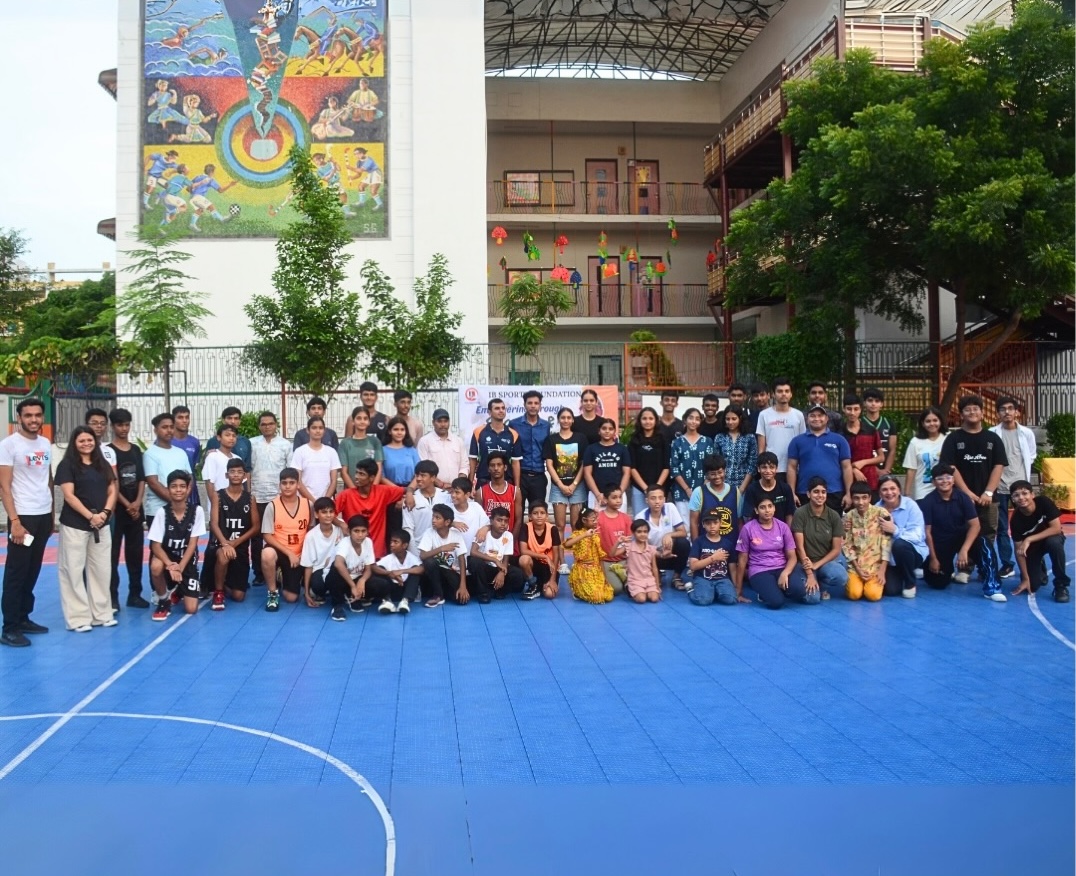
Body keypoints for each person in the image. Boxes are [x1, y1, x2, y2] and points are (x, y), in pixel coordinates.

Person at [939, 395, 1008, 602]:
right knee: (962, 531)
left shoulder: (993, 438)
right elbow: (950, 467)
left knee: (987, 534)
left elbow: (999, 465)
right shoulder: (953, 439)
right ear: (961, 414)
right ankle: (965, 567)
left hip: (989, 498)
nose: (972, 413)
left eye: (975, 409)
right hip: (961, 498)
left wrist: (988, 492)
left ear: (981, 412)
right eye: (967, 410)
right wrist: (966, 493)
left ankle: (986, 570)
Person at [55, 426, 117, 632]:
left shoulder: (102, 464)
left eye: (89, 440)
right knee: (72, 570)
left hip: (102, 525)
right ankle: (78, 618)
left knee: (101, 570)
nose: (86, 444)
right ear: (74, 443)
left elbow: (112, 490)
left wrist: (105, 514)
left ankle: (102, 614)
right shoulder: (67, 465)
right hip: (75, 525)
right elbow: (69, 496)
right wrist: (90, 516)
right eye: (81, 441)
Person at [736, 496, 818, 609]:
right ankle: (765, 592)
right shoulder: (748, 528)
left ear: (774, 508)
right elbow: (742, 559)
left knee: (799, 591)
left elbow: (792, 557)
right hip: (759, 570)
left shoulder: (783, 527)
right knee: (776, 602)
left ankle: (773, 588)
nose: (767, 510)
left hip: (781, 567)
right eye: (762, 507)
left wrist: (785, 573)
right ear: (756, 510)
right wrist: (739, 590)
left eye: (770, 506)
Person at [989, 397, 1038, 581]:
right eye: (1003, 409)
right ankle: (1007, 564)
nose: (1007, 412)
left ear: (1017, 412)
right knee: (1001, 528)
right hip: (1000, 486)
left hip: (1020, 489)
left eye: (1011, 409)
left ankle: (1032, 563)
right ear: (998, 413)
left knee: (1027, 526)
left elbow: (1031, 455)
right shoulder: (992, 433)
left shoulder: (1026, 433)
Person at [147, 470, 206, 621]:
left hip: (187, 560)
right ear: (168, 489)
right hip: (168, 559)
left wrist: (180, 567)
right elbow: (155, 546)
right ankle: (163, 599)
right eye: (174, 486)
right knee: (155, 566)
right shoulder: (162, 513)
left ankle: (179, 589)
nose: (178, 490)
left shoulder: (197, 511)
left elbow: (193, 544)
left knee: (191, 609)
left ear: (188, 489)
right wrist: (170, 565)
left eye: (182, 486)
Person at [108, 408, 149, 611]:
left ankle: (135, 594)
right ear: (113, 426)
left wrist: (137, 502)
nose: (123, 429)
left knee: (135, 554)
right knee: (112, 556)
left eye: (126, 424)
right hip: (116, 512)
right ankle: (112, 598)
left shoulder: (135, 451)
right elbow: (112, 483)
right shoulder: (108, 451)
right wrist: (126, 503)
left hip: (135, 511)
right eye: (119, 425)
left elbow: (141, 478)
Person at [205, 458, 259, 610]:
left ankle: (222, 580)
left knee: (238, 596)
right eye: (232, 472)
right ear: (226, 475)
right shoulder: (219, 496)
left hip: (239, 548)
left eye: (239, 472)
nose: (236, 475)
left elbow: (256, 527)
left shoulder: (250, 498)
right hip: (221, 545)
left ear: (245, 476)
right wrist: (225, 543)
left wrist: (235, 542)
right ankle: (218, 591)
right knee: (223, 554)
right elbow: (213, 523)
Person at [919, 463, 980, 590]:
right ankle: (948, 569)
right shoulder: (927, 502)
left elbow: (975, 525)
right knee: (938, 582)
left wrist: (964, 550)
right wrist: (933, 559)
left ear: (953, 480)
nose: (945, 481)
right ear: (933, 482)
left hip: (960, 538)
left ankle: (990, 578)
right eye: (940, 478)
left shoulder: (963, 497)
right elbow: (927, 532)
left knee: (983, 544)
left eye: (948, 477)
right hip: (940, 542)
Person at [1008, 480, 1070, 602]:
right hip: (1033, 548)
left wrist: (1029, 539)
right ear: (1012, 499)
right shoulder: (1015, 520)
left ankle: (1061, 585)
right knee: (1033, 586)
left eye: (1024, 493)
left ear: (1032, 495)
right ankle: (1039, 567)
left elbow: (1056, 528)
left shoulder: (1043, 502)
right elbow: (1019, 550)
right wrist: (1025, 578)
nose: (1021, 497)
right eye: (1016, 495)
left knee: (1054, 544)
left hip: (1051, 538)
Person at [260, 468, 312, 611]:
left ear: (298, 485)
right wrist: (288, 553)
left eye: (291, 483)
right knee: (267, 554)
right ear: (279, 485)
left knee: (291, 598)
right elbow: (267, 535)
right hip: (280, 551)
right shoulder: (272, 506)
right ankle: (272, 592)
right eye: (284, 483)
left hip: (299, 554)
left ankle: (281, 575)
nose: (287, 486)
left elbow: (312, 531)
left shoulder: (308, 505)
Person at [335, 458, 411, 556]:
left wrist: (409, 495)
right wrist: (341, 524)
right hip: (353, 553)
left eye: (361, 474)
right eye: (356, 473)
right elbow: (329, 513)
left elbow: (407, 489)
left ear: (371, 478)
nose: (356, 477)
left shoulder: (383, 491)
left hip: (377, 553)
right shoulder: (346, 495)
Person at [250, 411, 292, 585]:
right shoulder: (252, 444)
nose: (267, 426)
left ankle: (280, 569)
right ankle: (260, 573)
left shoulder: (285, 445)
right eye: (263, 424)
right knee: (257, 536)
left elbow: (290, 471)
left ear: (276, 425)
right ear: (259, 426)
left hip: (278, 498)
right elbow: (247, 469)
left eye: (270, 423)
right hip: (257, 496)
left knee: (279, 535)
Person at [791, 477, 848, 600]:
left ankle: (821, 584)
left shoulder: (833, 516)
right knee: (813, 599)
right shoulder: (800, 513)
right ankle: (809, 581)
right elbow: (799, 548)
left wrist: (816, 565)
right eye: (816, 491)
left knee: (841, 576)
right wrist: (810, 574)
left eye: (823, 492)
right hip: (803, 561)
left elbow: (836, 550)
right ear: (808, 494)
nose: (820, 495)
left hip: (824, 562)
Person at [876, 476, 928, 598]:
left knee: (899, 545)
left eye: (893, 488)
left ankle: (910, 583)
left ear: (899, 490)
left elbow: (918, 535)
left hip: (913, 552)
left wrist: (895, 530)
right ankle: (901, 573)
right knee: (891, 591)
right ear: (879, 493)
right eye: (884, 490)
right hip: (889, 559)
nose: (889, 493)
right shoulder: (876, 509)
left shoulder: (911, 506)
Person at [544, 407, 588, 541]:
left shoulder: (581, 438)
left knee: (576, 526)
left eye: (569, 418)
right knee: (560, 525)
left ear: (573, 420)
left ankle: (577, 560)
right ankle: (561, 560)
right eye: (563, 418)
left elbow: (583, 464)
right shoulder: (551, 439)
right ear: (558, 420)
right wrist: (561, 485)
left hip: (577, 487)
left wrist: (574, 484)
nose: (566, 420)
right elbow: (549, 465)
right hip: (558, 487)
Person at [842, 481, 892, 602]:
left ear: (870, 497)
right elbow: (846, 544)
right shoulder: (848, 517)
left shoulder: (881, 513)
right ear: (852, 499)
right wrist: (858, 569)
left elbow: (887, 542)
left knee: (873, 596)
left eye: (864, 498)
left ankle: (871, 585)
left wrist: (882, 570)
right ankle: (858, 583)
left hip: (876, 566)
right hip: (856, 566)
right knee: (854, 594)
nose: (861, 502)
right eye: (856, 498)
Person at [635, 483, 689, 590]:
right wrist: (659, 554)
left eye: (660, 498)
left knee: (684, 543)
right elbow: (640, 547)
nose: (657, 502)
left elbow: (683, 532)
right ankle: (655, 574)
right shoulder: (640, 517)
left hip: (671, 553)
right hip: (652, 555)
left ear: (664, 499)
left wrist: (669, 535)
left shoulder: (670, 507)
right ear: (647, 500)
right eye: (653, 498)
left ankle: (676, 577)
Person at [142, 412, 193, 525]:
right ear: (155, 430)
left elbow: (190, 478)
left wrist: (182, 501)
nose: (169, 430)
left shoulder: (181, 453)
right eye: (164, 427)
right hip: (157, 511)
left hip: (181, 511)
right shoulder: (150, 454)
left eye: (171, 427)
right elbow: (153, 483)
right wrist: (176, 501)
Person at [323, 515, 376, 621]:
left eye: (363, 531)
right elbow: (338, 564)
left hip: (355, 577)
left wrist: (362, 580)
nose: (360, 535)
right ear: (349, 531)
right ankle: (337, 606)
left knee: (381, 585)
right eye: (356, 531)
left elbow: (369, 567)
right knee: (336, 570)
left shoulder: (368, 542)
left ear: (367, 531)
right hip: (337, 578)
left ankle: (351, 596)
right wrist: (353, 586)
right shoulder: (344, 543)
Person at [469, 507, 526, 604]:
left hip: (498, 568)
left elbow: (506, 559)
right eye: (499, 520)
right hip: (485, 568)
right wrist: (494, 560)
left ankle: (499, 591)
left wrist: (502, 572)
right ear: (491, 521)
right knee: (474, 561)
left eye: (506, 521)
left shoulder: (508, 536)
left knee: (519, 575)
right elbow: (473, 552)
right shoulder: (483, 533)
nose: (503, 524)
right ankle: (483, 593)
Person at [686, 507, 742, 606]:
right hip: (703, 577)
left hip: (722, 578)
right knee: (703, 600)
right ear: (703, 525)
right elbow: (693, 566)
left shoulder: (727, 544)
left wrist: (736, 587)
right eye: (708, 523)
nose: (712, 526)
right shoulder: (699, 542)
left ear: (720, 523)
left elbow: (732, 567)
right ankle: (691, 590)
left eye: (715, 523)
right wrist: (713, 558)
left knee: (731, 599)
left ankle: (714, 592)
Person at [417, 504, 468, 607]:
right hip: (435, 574)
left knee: (461, 601)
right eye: (433, 517)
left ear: (447, 522)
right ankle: (438, 595)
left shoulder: (456, 535)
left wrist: (463, 586)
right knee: (429, 562)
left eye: (437, 518)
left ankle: (445, 593)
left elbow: (462, 561)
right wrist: (441, 549)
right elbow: (423, 556)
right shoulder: (429, 533)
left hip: (452, 574)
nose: (433, 520)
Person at [510, 389, 551, 516]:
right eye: (530, 403)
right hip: (520, 475)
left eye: (536, 403)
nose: (533, 406)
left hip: (539, 476)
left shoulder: (546, 425)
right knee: (518, 513)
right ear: (524, 405)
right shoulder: (514, 424)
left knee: (537, 513)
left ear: (540, 405)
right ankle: (519, 537)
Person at [755, 378, 805, 481]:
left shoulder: (798, 415)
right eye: (780, 391)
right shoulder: (764, 415)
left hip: (794, 468)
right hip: (772, 469)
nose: (783, 394)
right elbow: (761, 448)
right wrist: (762, 467)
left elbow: (802, 443)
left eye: (787, 391)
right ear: (773, 394)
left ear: (791, 394)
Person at [669, 408, 714, 524]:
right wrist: (687, 489)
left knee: (703, 524)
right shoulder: (677, 443)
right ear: (685, 420)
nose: (693, 421)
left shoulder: (707, 441)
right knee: (685, 526)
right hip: (682, 491)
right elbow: (674, 468)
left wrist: (703, 486)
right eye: (691, 418)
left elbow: (711, 466)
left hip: (703, 489)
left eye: (697, 419)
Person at [469, 398, 522, 488]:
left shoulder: (513, 434)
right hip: (484, 480)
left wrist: (517, 487)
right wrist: (470, 485)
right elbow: (473, 460)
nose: (501, 411)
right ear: (489, 412)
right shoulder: (478, 432)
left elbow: (515, 463)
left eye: (503, 408)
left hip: (506, 481)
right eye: (497, 408)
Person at [301, 497, 344, 609]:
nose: (328, 515)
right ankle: (318, 591)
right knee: (318, 586)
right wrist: (306, 593)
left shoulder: (341, 527)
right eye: (324, 512)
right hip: (320, 569)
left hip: (338, 568)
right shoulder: (311, 536)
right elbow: (308, 565)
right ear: (316, 514)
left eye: (331, 512)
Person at [368, 530, 424, 614]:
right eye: (391, 541)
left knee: (415, 573)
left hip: (407, 590)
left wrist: (402, 571)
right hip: (393, 590)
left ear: (404, 545)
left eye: (395, 542)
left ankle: (405, 601)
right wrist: (390, 573)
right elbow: (374, 568)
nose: (391, 544)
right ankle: (387, 601)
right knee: (381, 570)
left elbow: (421, 569)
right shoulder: (389, 558)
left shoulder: (412, 557)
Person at [565, 507, 613, 604]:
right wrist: (585, 535)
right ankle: (577, 590)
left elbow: (600, 559)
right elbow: (567, 544)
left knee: (608, 595)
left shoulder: (595, 536)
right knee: (597, 597)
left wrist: (605, 578)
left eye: (596, 519)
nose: (596, 522)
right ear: (584, 520)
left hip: (596, 571)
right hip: (582, 571)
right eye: (593, 520)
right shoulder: (578, 534)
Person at [582, 417, 632, 510]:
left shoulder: (622, 449)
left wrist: (618, 494)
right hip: (597, 494)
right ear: (599, 431)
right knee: (596, 523)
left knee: (619, 523)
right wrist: (597, 495)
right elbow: (587, 474)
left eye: (610, 429)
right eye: (604, 428)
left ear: (614, 432)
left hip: (618, 494)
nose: (607, 431)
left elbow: (627, 473)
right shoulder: (591, 449)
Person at [627, 407, 670, 514]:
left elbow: (666, 467)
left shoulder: (663, 439)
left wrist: (656, 488)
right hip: (639, 488)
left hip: (659, 487)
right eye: (644, 418)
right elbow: (632, 468)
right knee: (640, 520)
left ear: (656, 421)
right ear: (640, 421)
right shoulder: (633, 440)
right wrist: (646, 489)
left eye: (651, 418)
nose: (647, 421)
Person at [841, 394, 884, 497]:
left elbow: (881, 457)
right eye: (849, 409)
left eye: (856, 409)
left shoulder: (871, 430)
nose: (852, 413)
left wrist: (863, 462)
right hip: (847, 482)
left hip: (870, 480)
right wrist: (854, 469)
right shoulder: (840, 433)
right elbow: (836, 460)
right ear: (843, 409)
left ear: (861, 410)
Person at [517, 501, 562, 599]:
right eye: (535, 513)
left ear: (547, 516)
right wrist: (545, 556)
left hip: (550, 567)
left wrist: (553, 579)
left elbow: (556, 556)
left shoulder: (553, 529)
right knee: (524, 559)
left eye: (542, 513)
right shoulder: (525, 527)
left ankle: (542, 585)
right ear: (529, 516)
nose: (539, 516)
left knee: (549, 594)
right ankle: (533, 585)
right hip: (534, 564)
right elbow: (523, 551)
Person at [687, 455, 737, 542]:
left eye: (720, 472)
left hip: (731, 544)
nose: (717, 476)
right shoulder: (699, 492)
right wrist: (696, 547)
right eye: (713, 474)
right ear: (707, 475)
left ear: (725, 471)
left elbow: (739, 521)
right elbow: (693, 522)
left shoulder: (735, 491)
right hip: (706, 546)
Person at [902, 407, 948, 501]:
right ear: (922, 423)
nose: (932, 424)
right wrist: (906, 494)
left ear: (940, 421)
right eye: (928, 421)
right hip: (923, 492)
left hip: (945, 490)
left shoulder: (948, 438)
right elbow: (911, 469)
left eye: (935, 420)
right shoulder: (915, 442)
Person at [292, 417, 341, 503]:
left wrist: (325, 500)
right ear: (308, 430)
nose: (317, 431)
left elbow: (334, 480)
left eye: (321, 428)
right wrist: (313, 501)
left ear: (324, 430)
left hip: (326, 503)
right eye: (314, 428)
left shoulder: (331, 452)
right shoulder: (299, 451)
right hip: (304, 501)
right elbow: (298, 480)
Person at [417, 409, 468, 491]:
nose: (443, 424)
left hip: (456, 490)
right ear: (433, 422)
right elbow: (423, 467)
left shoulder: (458, 441)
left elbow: (464, 466)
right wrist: (441, 484)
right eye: (439, 421)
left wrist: (458, 484)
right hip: (434, 489)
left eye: (445, 421)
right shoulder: (425, 441)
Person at [713, 404, 757, 499]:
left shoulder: (749, 437)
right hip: (723, 485)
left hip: (744, 485)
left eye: (734, 419)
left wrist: (742, 489)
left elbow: (752, 465)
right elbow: (716, 463)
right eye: (727, 419)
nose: (730, 422)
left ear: (740, 418)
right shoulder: (719, 437)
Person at [595, 485, 632, 595]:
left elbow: (629, 542)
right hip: (607, 560)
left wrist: (628, 560)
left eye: (620, 497)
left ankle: (627, 580)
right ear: (605, 500)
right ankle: (625, 581)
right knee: (616, 589)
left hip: (623, 560)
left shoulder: (625, 518)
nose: (618, 500)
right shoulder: (599, 518)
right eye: (614, 497)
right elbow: (597, 544)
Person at [742, 451, 795, 525]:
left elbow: (789, 514)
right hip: (758, 532)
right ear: (758, 469)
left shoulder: (785, 488)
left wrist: (787, 534)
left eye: (771, 467)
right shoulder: (752, 489)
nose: (768, 471)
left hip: (780, 532)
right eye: (764, 467)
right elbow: (748, 516)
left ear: (777, 469)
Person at [477, 452, 523, 536]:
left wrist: (510, 542)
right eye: (492, 465)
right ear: (488, 468)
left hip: (508, 540)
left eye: (499, 465)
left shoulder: (515, 492)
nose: (496, 468)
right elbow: (477, 520)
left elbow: (518, 520)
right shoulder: (481, 492)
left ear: (505, 467)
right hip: (487, 541)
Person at [403, 460, 449, 543]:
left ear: (433, 478)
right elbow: (408, 529)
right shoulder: (410, 499)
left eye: (423, 475)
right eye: (417, 475)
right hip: (419, 547)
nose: (419, 479)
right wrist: (415, 553)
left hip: (443, 548)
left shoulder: (446, 496)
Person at [339, 407, 384, 488]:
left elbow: (379, 469)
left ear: (369, 422)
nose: (362, 421)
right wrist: (354, 492)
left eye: (365, 418)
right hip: (351, 492)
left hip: (371, 492)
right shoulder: (345, 443)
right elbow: (344, 472)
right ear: (353, 421)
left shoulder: (375, 442)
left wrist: (372, 490)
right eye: (359, 418)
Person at [201, 423, 241, 507]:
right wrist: (216, 505)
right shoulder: (212, 457)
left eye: (234, 436)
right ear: (219, 437)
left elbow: (241, 484)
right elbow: (209, 483)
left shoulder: (237, 458)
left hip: (235, 505)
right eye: (227, 435)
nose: (231, 438)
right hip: (219, 505)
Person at [623, 519, 661, 603]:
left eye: (645, 532)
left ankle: (646, 591)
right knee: (641, 599)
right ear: (633, 533)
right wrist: (618, 542)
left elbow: (654, 568)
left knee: (655, 599)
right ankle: (629, 588)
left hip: (649, 579)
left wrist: (658, 586)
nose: (642, 534)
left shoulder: (651, 549)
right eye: (639, 532)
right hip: (635, 580)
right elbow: (612, 554)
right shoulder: (629, 547)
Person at [862, 388, 897, 477]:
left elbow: (892, 449)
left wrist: (886, 470)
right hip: (866, 469)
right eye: (870, 401)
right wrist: (876, 470)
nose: (873, 404)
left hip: (885, 470)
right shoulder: (859, 423)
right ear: (864, 403)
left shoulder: (889, 423)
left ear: (881, 404)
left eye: (877, 401)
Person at [170, 405, 203, 497]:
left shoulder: (194, 442)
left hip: (191, 492)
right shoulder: (165, 441)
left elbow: (194, 466)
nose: (184, 421)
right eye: (180, 417)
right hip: (171, 492)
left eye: (187, 417)